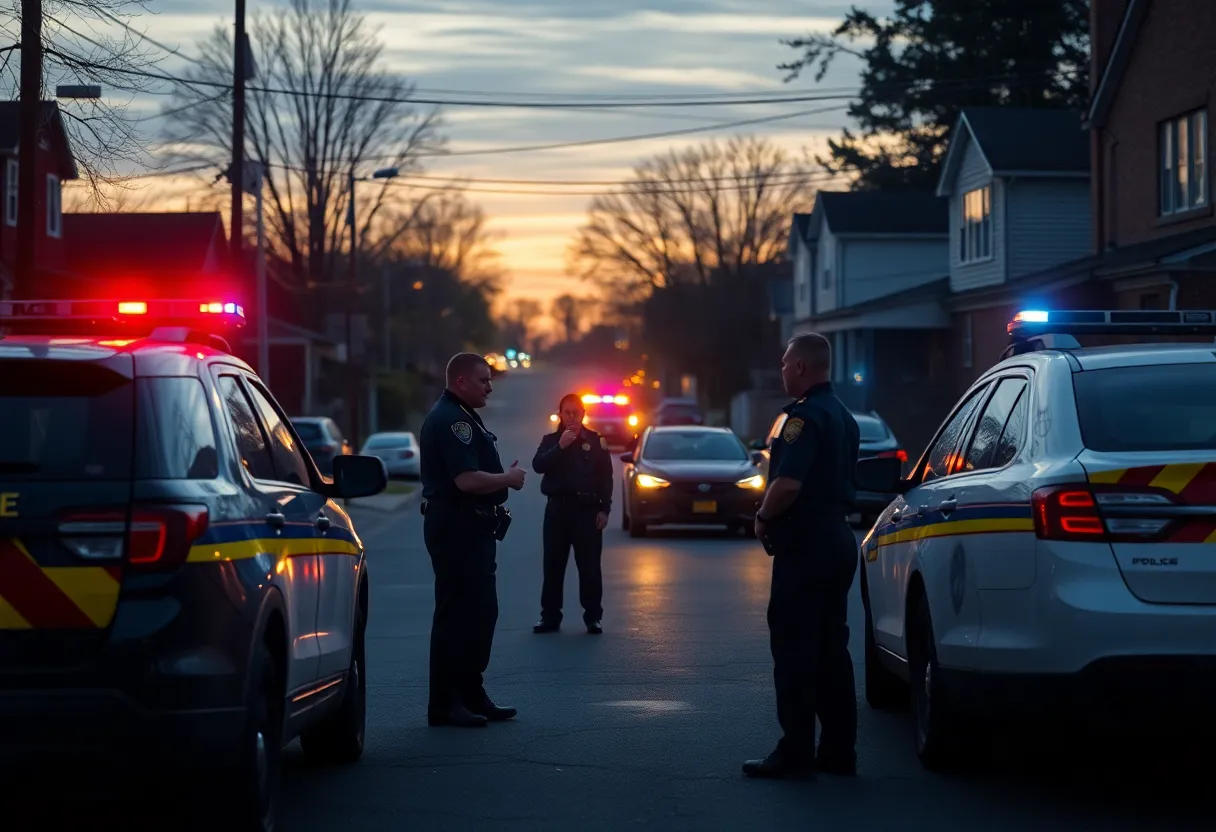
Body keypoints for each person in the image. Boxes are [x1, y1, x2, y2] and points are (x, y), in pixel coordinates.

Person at [743, 333, 861, 779]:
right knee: (832, 647)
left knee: (794, 647)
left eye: (785, 364)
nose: (782, 371)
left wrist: (763, 516)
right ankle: (838, 750)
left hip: (806, 543)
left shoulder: (802, 418)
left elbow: (788, 484)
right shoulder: (843, 415)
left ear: (799, 367)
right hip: (838, 539)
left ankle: (795, 752)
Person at [419, 352, 526, 728]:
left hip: (473, 528)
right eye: (483, 380)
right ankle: (446, 704)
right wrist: (507, 479)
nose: (490, 386)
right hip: (457, 527)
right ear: (461, 381)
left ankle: (471, 693)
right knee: (458, 616)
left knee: (480, 613)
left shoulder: (462, 416)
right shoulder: (452, 422)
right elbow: (466, 481)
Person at [530, 393, 613, 635]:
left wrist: (604, 510)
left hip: (587, 513)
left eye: (576, 412)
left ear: (583, 414)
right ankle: (550, 617)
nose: (571, 417)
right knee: (553, 566)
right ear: (560, 414)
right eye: (567, 412)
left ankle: (593, 618)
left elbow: (605, 479)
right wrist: (561, 446)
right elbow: (538, 465)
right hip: (557, 511)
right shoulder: (550, 440)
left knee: (589, 568)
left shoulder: (596, 442)